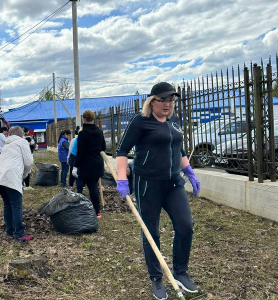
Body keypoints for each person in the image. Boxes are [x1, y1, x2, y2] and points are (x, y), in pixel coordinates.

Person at [115, 82, 201, 299]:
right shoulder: (140, 121)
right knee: (151, 232)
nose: (167, 104)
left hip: (173, 184)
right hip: (147, 184)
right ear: (151, 101)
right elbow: (122, 151)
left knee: (185, 226)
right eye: (162, 100)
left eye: (171, 100)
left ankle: (180, 272)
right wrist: (122, 179)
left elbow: (179, 150)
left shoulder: (175, 121)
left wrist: (189, 172)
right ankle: (156, 278)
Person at [0, 126, 34, 242]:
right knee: (16, 205)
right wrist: (25, 174)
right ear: (21, 135)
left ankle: (10, 231)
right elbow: (29, 161)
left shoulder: (7, 145)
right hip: (10, 175)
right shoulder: (22, 142)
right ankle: (19, 234)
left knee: (7, 204)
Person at [74, 110, 106, 219]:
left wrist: (76, 165)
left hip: (87, 163)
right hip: (98, 162)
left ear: (83, 119)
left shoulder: (82, 134)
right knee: (93, 186)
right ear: (93, 119)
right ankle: (94, 209)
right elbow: (103, 147)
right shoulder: (99, 131)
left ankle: (96, 211)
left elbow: (80, 151)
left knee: (92, 187)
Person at [67, 126, 84, 193]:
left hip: (76, 158)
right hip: (74, 158)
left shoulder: (80, 139)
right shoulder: (78, 140)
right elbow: (73, 150)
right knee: (77, 175)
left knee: (78, 175)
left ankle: (79, 190)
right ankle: (79, 192)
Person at [22, 126, 37, 190]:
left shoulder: (20, 138)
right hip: (28, 155)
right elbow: (34, 147)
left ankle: (22, 184)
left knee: (21, 170)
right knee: (28, 170)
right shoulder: (29, 138)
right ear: (27, 131)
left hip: (20, 155)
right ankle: (27, 185)